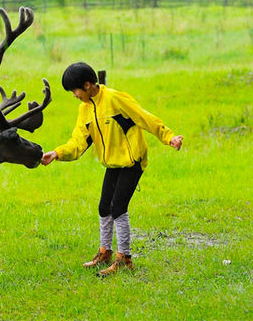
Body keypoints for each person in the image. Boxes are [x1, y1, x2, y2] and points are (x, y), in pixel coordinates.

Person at [41, 62, 183, 275]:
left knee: (118, 208)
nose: (74, 95)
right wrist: (57, 153)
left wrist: (168, 136)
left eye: (75, 90)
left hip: (132, 161)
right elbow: (78, 142)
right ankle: (104, 252)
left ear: (87, 85)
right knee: (104, 207)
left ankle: (124, 258)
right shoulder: (85, 109)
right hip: (112, 163)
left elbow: (144, 117)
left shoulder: (116, 99)